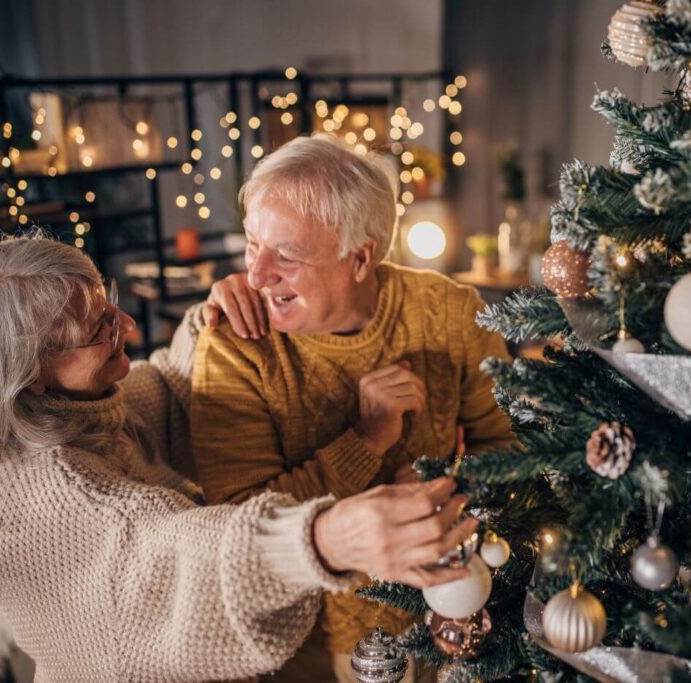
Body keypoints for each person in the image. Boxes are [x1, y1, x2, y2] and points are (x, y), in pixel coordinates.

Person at [0, 236, 476, 683]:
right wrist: (327, 537)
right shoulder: (40, 495)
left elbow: (169, 393)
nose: (127, 325)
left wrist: (215, 321)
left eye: (112, 305)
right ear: (29, 374)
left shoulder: (79, 408)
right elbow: (188, 556)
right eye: (99, 328)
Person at [191, 136, 515, 681]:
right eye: (252, 245)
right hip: (303, 644)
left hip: (455, 620)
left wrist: (456, 489)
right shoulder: (234, 346)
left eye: (286, 255)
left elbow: (511, 445)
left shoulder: (449, 312)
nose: (257, 275)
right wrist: (364, 442)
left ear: (361, 256)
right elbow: (240, 531)